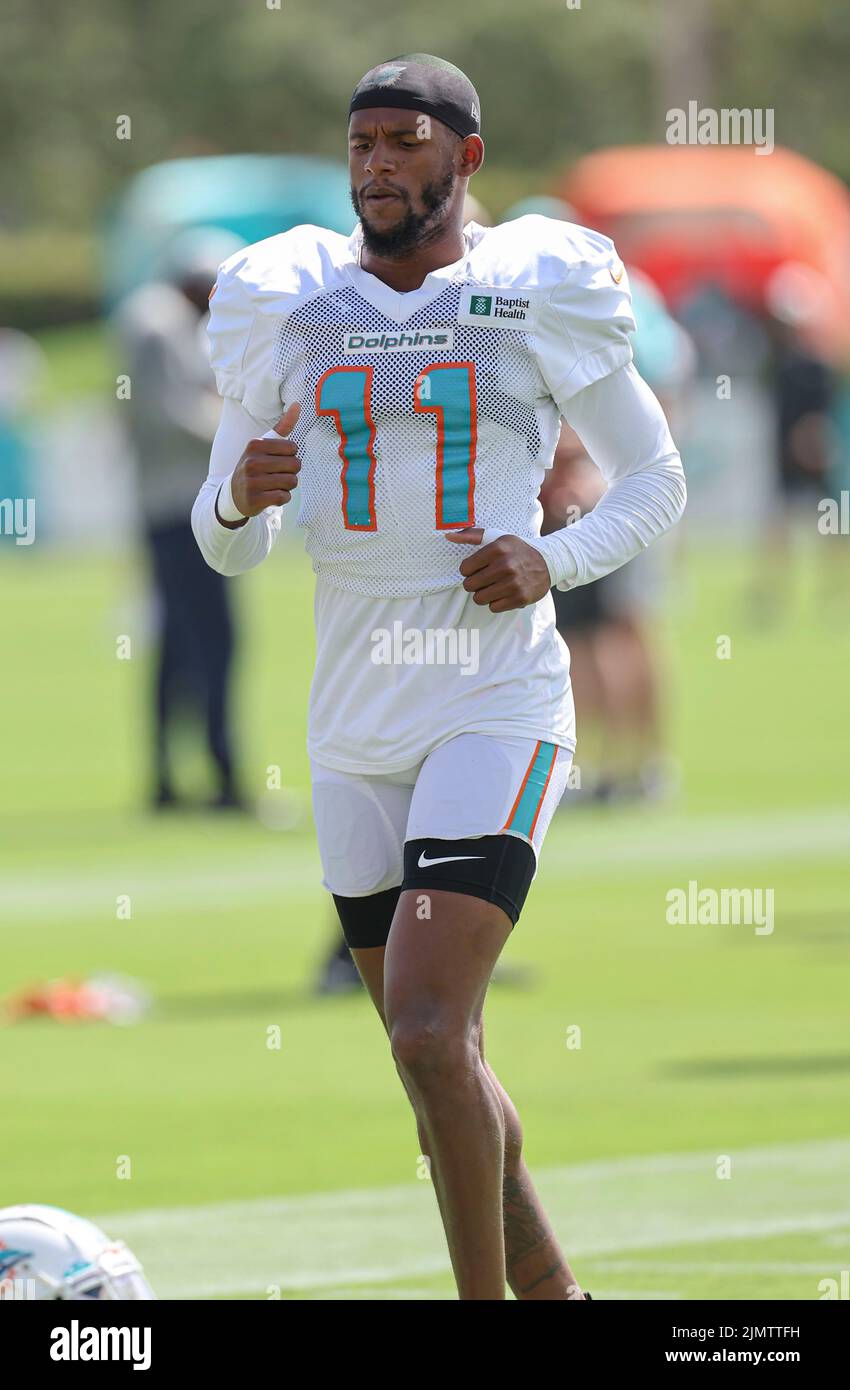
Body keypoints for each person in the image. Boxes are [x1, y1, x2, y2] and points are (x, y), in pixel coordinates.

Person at [192, 53, 686, 1300]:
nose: (376, 166)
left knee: (425, 1029)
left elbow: (656, 477)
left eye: (405, 142)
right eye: (361, 143)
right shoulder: (285, 297)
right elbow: (223, 537)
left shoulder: (532, 288)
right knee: (435, 1063)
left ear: (464, 159)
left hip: (493, 695)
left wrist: (551, 556)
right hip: (351, 709)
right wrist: (237, 498)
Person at [115, 230, 246, 809]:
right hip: (181, 506)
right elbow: (166, 412)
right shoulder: (159, 322)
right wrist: (241, 432)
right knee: (214, 642)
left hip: (165, 503)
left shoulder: (156, 316)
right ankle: (223, 779)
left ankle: (168, 780)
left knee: (178, 644)